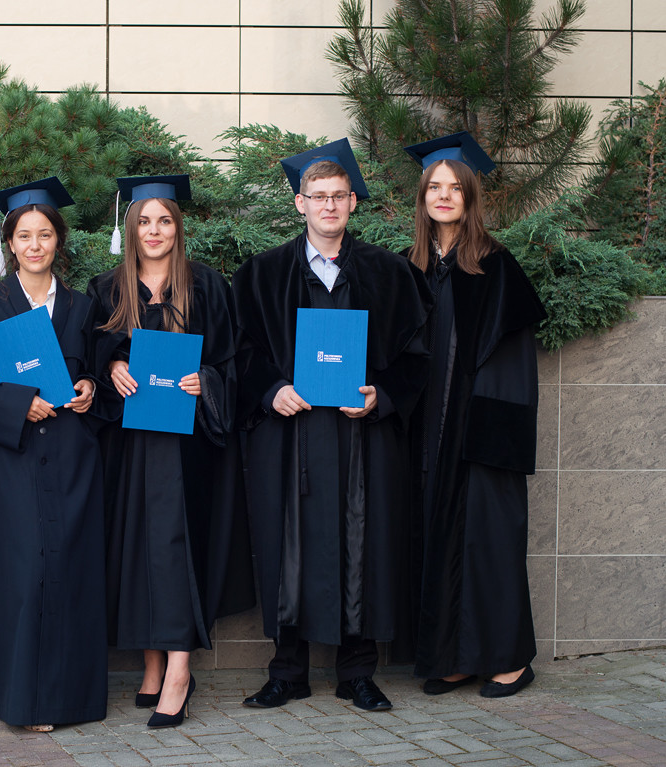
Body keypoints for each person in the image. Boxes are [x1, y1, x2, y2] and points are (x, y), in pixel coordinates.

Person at [232, 139, 430, 713]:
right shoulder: (262, 275)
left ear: (352, 203)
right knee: (287, 545)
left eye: (338, 196)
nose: (328, 206)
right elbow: (238, 353)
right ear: (300, 203)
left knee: (363, 542)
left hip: (360, 437)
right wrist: (271, 390)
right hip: (289, 436)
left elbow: (417, 356)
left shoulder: (390, 274)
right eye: (318, 196)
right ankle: (287, 672)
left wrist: (382, 396)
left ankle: (357, 672)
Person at [88, 174, 251, 729]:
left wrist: (208, 381)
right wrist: (112, 366)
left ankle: (178, 671)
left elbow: (234, 362)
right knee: (137, 548)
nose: (154, 230)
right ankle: (152, 664)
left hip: (188, 448)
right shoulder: (106, 290)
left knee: (178, 550)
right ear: (130, 228)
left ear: (178, 228)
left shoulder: (207, 287)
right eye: (144, 221)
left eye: (164, 221)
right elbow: (89, 358)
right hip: (131, 444)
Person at [0, 177, 107, 733]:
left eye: (45, 234)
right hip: (11, 465)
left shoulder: (84, 308)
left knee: (68, 575)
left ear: (58, 241)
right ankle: (20, 702)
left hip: (72, 461)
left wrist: (91, 387)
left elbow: (102, 376)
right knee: (20, 578)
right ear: (10, 243)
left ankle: (68, 701)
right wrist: (16, 404)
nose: (35, 245)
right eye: (24, 236)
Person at [402, 132, 546, 697]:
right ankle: (454, 657)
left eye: (454, 188)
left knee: (489, 542)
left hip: (480, 432)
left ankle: (510, 660)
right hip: (428, 434)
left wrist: (485, 432)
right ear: (423, 197)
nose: (443, 196)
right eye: (434, 187)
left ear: (469, 196)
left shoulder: (495, 266)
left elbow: (513, 363)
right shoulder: (412, 266)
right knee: (438, 540)